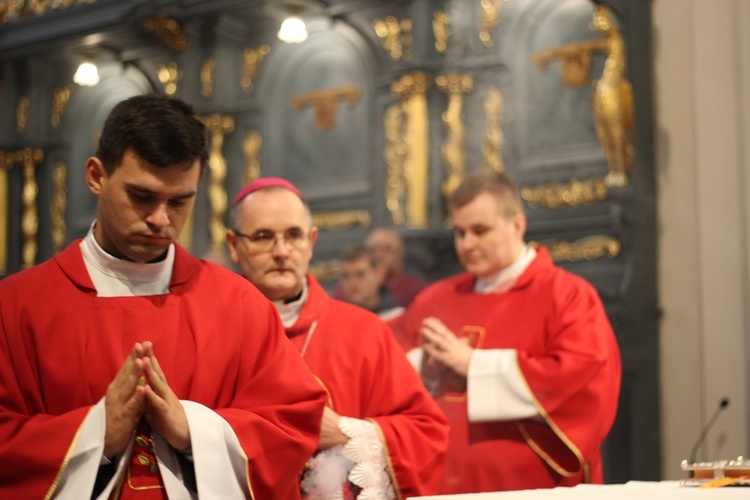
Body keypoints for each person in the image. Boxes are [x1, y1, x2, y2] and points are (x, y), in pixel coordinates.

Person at [0, 95, 327, 499]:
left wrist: (192, 430)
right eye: (142, 196)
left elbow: (291, 425)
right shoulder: (16, 306)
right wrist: (96, 433)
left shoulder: (240, 305)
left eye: (179, 201)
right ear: (96, 176)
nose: (159, 219)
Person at [389, 169, 621, 494]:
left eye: (480, 231)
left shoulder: (566, 296)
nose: (467, 244)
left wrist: (475, 365)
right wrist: (420, 366)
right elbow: (384, 358)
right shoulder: (436, 298)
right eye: (459, 232)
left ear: (517, 225)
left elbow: (582, 380)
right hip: (438, 484)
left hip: (527, 487)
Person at [226, 177, 450, 499]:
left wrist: (347, 433)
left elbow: (426, 435)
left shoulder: (363, 331)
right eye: (263, 237)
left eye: (293, 236)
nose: (281, 251)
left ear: (311, 241)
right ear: (234, 245)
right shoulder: (212, 328)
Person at [338, 243, 404, 320]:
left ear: (378, 274)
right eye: (345, 275)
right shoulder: (336, 318)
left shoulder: (396, 317)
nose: (352, 282)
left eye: (360, 274)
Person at [365, 227, 427, 308]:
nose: (379, 255)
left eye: (387, 249)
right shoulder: (354, 284)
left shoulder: (414, 289)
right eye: (374, 249)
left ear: (399, 256)